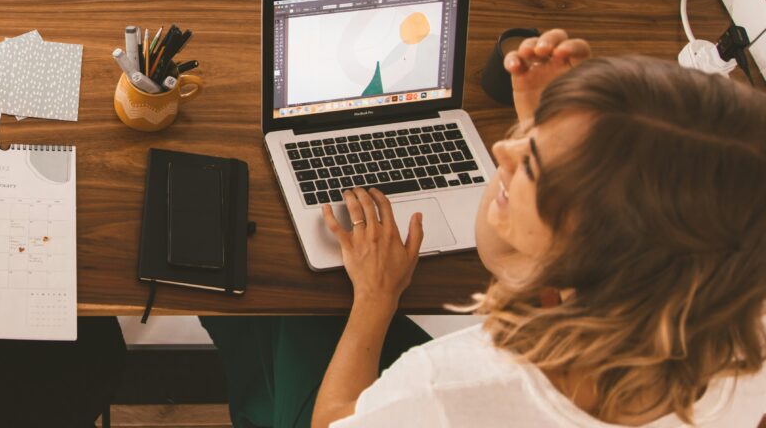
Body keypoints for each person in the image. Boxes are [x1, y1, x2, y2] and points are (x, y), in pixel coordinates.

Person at [207, 30, 766, 427]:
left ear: (590, 248)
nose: (500, 145)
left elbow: (334, 422)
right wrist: (552, 124)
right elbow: (509, 258)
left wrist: (376, 298)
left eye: (534, 162)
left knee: (267, 285)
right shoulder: (738, 324)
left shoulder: (452, 389)